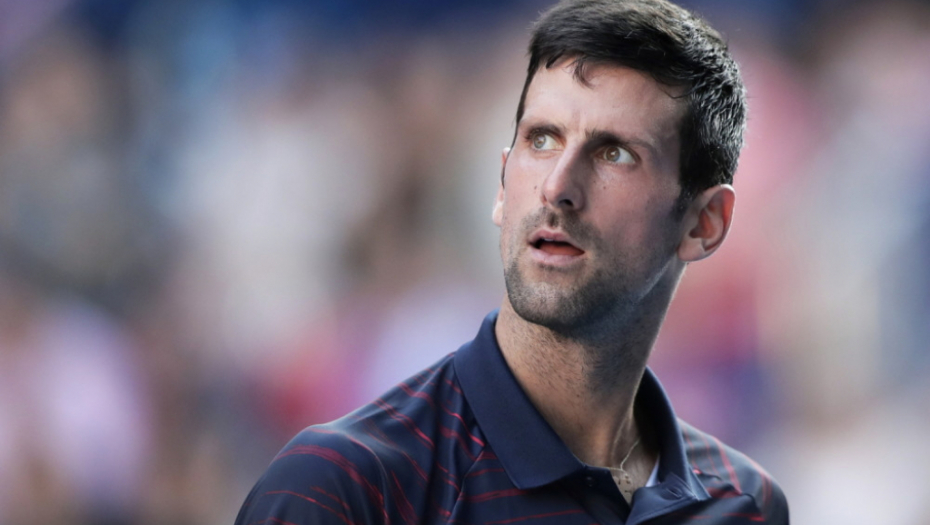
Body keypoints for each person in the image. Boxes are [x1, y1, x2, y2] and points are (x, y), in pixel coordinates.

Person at [234, 0, 789, 523]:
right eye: (542, 140)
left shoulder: (747, 503)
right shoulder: (341, 488)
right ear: (502, 184)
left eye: (614, 153)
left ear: (704, 223)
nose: (557, 186)